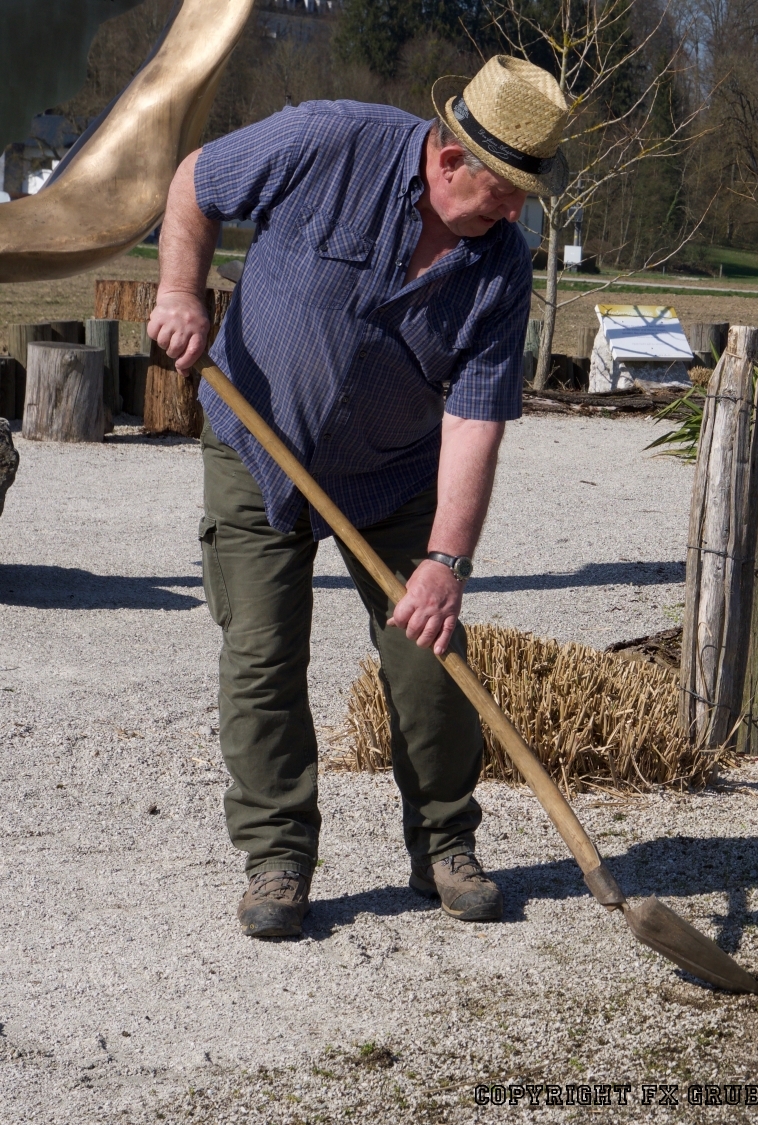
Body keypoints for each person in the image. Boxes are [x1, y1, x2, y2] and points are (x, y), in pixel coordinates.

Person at [147, 57, 571, 938]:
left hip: (394, 471)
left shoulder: (500, 268)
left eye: (525, 195)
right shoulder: (326, 141)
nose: (514, 212)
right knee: (263, 655)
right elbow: (196, 183)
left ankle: (446, 843)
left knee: (431, 657)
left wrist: (447, 561)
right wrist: (180, 291)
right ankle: (278, 856)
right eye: (504, 191)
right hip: (256, 442)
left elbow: (474, 420)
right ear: (451, 161)